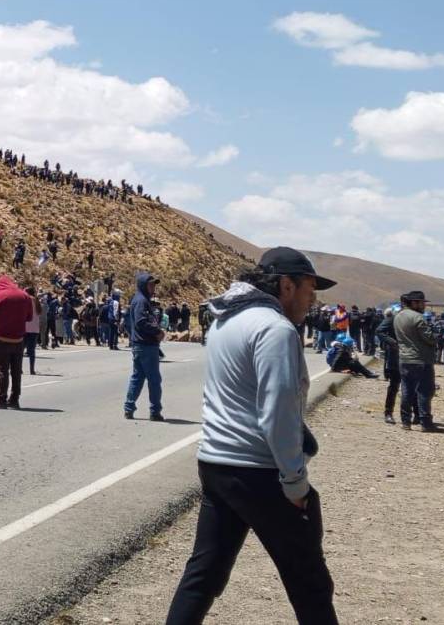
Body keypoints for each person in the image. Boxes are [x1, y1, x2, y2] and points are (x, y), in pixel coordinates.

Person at [166, 247, 338, 625]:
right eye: (309, 289)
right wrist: (295, 481)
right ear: (286, 285)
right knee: (309, 581)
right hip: (258, 469)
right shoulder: (275, 329)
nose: (313, 299)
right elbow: (278, 412)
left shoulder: (228, 321)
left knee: (205, 573)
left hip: (216, 461)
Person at [394, 291, 439, 432]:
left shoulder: (398, 316)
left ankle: (405, 421)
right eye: (422, 303)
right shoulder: (418, 318)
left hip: (405, 359)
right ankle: (425, 422)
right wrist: (436, 335)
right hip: (421, 359)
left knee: (407, 391)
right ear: (414, 303)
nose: (424, 306)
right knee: (425, 391)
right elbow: (429, 338)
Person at [0, 275, 33, 409]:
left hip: (1, 338)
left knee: (3, 370)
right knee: (16, 370)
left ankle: (2, 399)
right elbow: (29, 317)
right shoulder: (25, 296)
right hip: (18, 339)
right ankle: (14, 399)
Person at [123, 272, 166, 421]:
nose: (153, 287)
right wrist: (157, 332)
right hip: (146, 345)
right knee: (154, 379)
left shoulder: (142, 300)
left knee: (138, 377)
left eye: (154, 284)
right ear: (143, 285)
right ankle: (155, 411)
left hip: (141, 344)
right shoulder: (141, 301)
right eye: (151, 284)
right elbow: (141, 322)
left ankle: (129, 408)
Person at [376, 307, 404, 425]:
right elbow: (379, 330)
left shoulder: (415, 318)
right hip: (396, 356)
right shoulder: (393, 319)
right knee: (394, 386)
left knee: (413, 386)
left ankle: (415, 415)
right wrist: (392, 342)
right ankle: (388, 413)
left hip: (411, 356)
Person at [23, 286, 43, 376]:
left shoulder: (25, 300)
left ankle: (19, 369)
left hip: (24, 327)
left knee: (20, 350)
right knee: (32, 351)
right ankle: (32, 369)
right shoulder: (37, 301)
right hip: (34, 328)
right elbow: (39, 313)